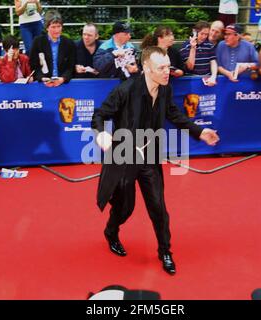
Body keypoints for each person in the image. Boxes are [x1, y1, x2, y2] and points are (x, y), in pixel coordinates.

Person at [91, 46, 220, 275]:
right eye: (161, 67)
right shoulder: (125, 90)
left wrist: (199, 132)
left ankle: (164, 251)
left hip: (150, 157)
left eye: (168, 66)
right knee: (124, 208)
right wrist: (101, 132)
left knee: (158, 208)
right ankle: (111, 231)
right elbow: (100, 114)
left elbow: (175, 115)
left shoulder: (165, 90)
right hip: (125, 156)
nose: (167, 71)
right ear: (147, 68)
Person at [29, 10, 76, 87]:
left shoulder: (69, 43)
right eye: (53, 27)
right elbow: (33, 65)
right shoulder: (38, 42)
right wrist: (42, 78)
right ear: (47, 27)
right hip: (43, 85)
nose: (57, 30)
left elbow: (71, 67)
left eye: (59, 26)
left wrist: (63, 79)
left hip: (64, 84)